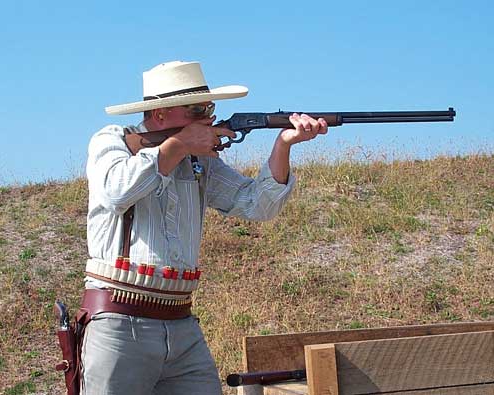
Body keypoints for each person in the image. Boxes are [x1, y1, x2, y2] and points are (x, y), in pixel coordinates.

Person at [81, 60, 327, 394]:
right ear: (161, 114)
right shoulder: (114, 141)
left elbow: (257, 204)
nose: (209, 117)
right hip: (119, 321)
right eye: (198, 110)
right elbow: (116, 190)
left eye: (209, 108)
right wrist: (179, 145)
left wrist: (283, 144)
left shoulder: (199, 161)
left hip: (181, 323)